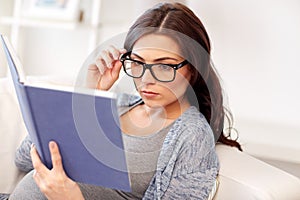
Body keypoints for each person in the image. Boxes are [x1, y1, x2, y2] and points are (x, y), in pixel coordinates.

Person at [9, 2, 241, 200]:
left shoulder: (191, 137)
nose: (146, 79)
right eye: (138, 63)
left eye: (163, 66)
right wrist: (87, 94)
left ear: (194, 68)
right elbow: (24, 158)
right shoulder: (118, 104)